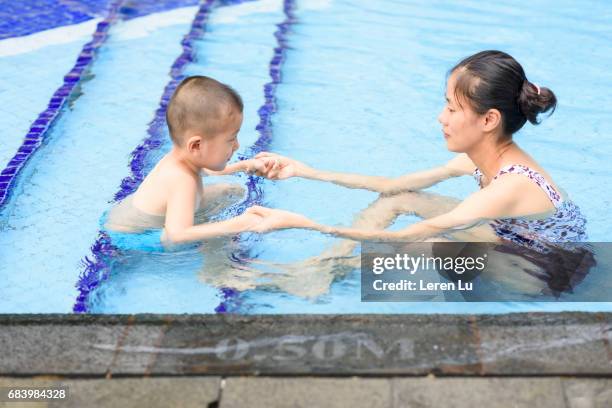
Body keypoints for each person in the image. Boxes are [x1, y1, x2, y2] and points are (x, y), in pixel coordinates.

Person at [250, 50, 588, 249]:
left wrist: (305, 224)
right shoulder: (480, 161)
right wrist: (304, 171)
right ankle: (322, 269)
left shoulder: (508, 186)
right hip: (515, 237)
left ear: (488, 120)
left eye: (452, 110)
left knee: (429, 248)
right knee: (400, 199)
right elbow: (391, 186)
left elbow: (413, 234)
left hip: (545, 273)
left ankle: (327, 273)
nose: (441, 118)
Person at [105, 75, 275, 243]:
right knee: (219, 241)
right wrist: (237, 224)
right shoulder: (183, 180)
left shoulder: (183, 158)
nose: (237, 146)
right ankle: (221, 270)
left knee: (231, 191)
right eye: (231, 139)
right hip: (136, 236)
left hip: (124, 217)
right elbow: (177, 235)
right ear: (196, 146)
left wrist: (245, 165)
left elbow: (209, 170)